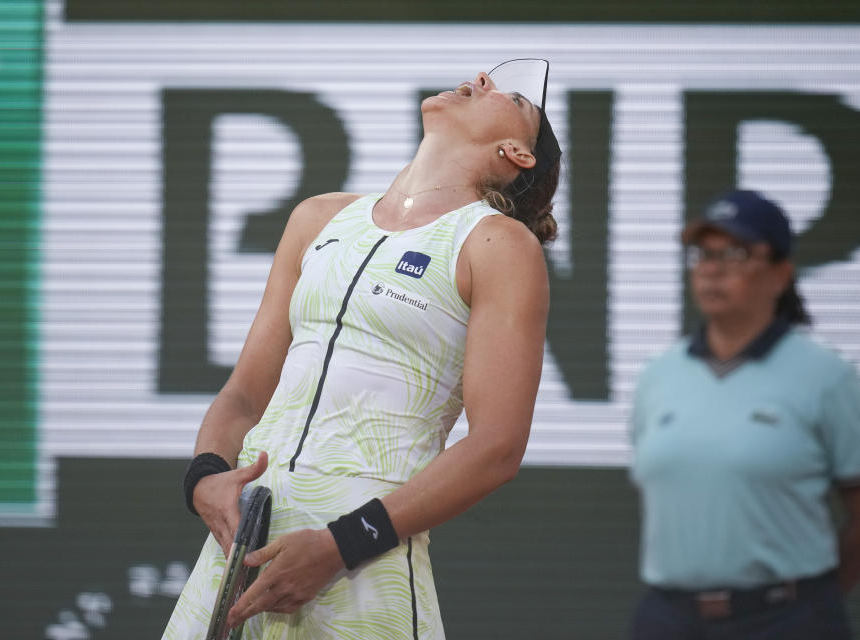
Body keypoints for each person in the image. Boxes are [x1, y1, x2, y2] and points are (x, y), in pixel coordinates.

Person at [163, 59, 562, 639]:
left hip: (358, 568)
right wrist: (204, 477)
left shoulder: (499, 245)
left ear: (516, 153)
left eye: (512, 98)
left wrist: (338, 546)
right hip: (242, 555)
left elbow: (496, 447)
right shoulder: (318, 217)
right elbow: (245, 394)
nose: (480, 80)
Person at [628, 190, 860, 639]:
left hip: (786, 619)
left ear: (780, 274)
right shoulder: (658, 375)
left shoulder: (827, 376)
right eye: (703, 254)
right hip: (669, 620)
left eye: (735, 253)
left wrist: (810, 602)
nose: (712, 269)